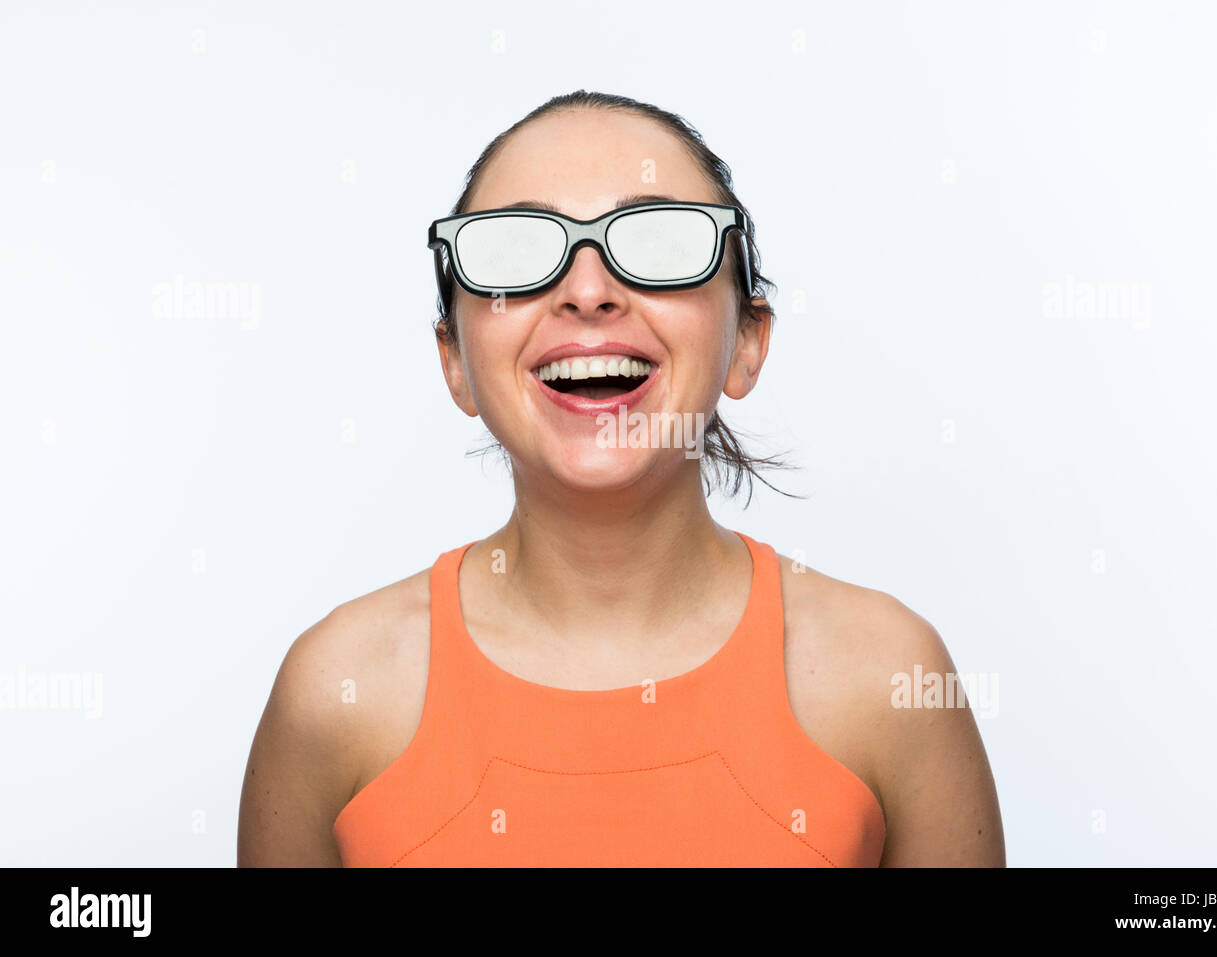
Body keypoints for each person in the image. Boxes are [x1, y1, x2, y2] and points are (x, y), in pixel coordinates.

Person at [237, 90, 1005, 867]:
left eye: (661, 242)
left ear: (748, 340)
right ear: (454, 362)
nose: (589, 290)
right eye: (515, 252)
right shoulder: (337, 692)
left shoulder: (887, 678)